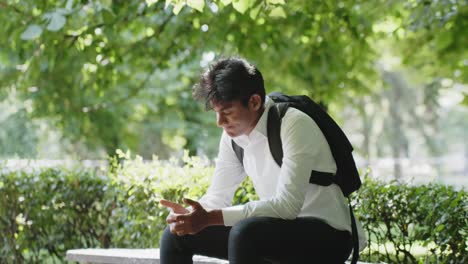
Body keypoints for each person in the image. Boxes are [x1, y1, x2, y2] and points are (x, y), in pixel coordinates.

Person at [159, 57, 366, 264]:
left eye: (227, 112)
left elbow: (287, 207)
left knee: (246, 233)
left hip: (329, 235)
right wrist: (190, 216)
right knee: (176, 236)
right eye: (216, 113)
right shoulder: (232, 138)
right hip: (274, 233)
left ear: (255, 102)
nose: (220, 122)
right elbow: (217, 198)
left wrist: (210, 218)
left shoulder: (294, 124)